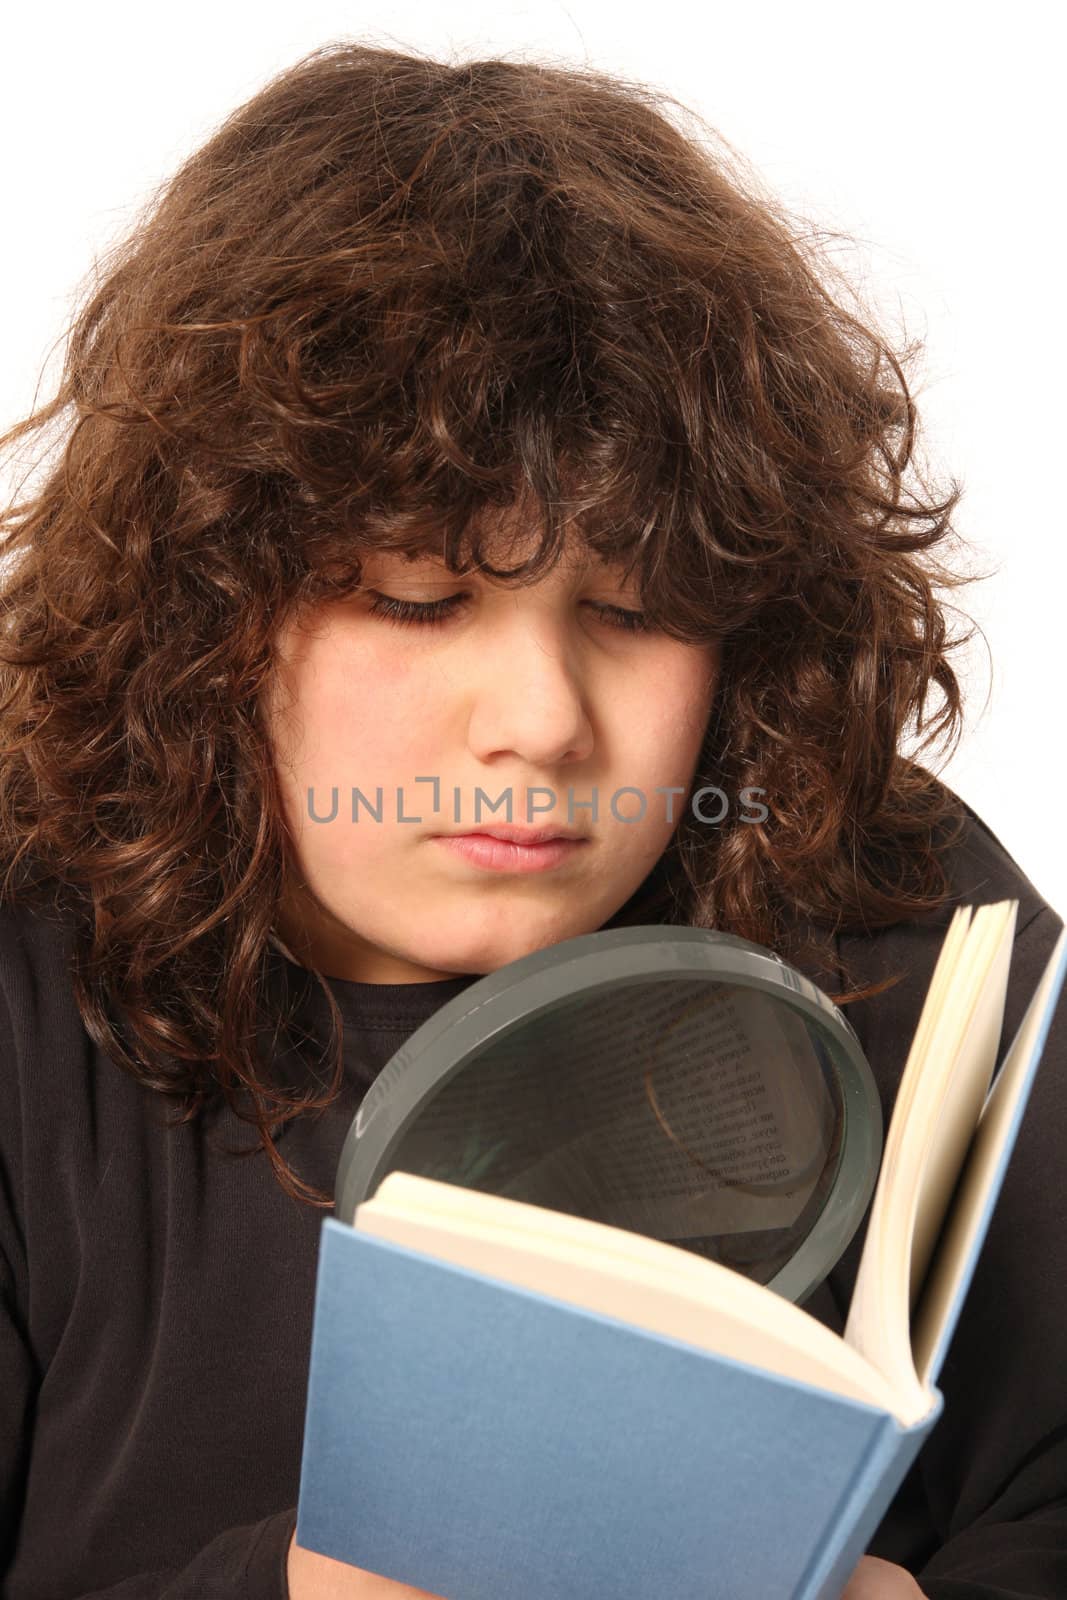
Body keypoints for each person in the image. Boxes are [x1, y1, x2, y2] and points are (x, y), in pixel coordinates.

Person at [0, 38, 1062, 1600]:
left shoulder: (898, 908)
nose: (545, 722)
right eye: (420, 599)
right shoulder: (25, 966)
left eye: (637, 608)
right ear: (204, 604)